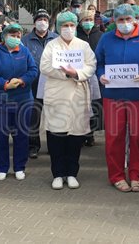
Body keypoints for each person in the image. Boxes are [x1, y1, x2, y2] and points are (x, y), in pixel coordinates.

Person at [96, 4, 139, 192]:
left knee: (138, 137)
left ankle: (136, 174)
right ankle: (116, 176)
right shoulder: (106, 38)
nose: (125, 23)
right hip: (113, 96)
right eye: (120, 20)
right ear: (114, 21)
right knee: (114, 137)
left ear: (136, 19)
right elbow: (98, 62)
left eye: (128, 19)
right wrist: (101, 75)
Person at [40, 11, 96, 190]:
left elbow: (91, 65)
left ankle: (72, 173)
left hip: (78, 94)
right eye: (65, 26)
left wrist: (77, 74)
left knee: (75, 137)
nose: (69, 29)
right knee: (56, 136)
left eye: (72, 25)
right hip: (57, 95)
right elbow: (45, 66)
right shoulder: (51, 45)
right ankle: (57, 174)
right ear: (58, 28)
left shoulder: (84, 45)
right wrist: (66, 74)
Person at [0, 24, 38, 181]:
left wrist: (21, 80)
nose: (15, 38)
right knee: (0, 135)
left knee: (21, 135)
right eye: (12, 35)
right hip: (1, 99)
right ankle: (2, 167)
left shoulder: (24, 51)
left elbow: (33, 70)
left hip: (23, 98)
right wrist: (5, 84)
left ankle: (19, 167)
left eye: (18, 36)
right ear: (5, 36)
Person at [22, 10, 58, 159]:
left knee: (53, 117)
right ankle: (33, 146)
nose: (42, 22)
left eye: (45, 19)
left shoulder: (56, 39)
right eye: (39, 19)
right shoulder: (25, 40)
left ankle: (53, 146)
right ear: (35, 22)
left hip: (52, 84)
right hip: (33, 84)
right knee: (33, 117)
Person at [76, 9, 103, 146]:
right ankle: (80, 134)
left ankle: (90, 133)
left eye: (90, 20)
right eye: (85, 20)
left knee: (93, 105)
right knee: (80, 106)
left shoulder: (100, 36)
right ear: (80, 22)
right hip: (78, 76)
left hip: (95, 76)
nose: (88, 22)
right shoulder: (76, 35)